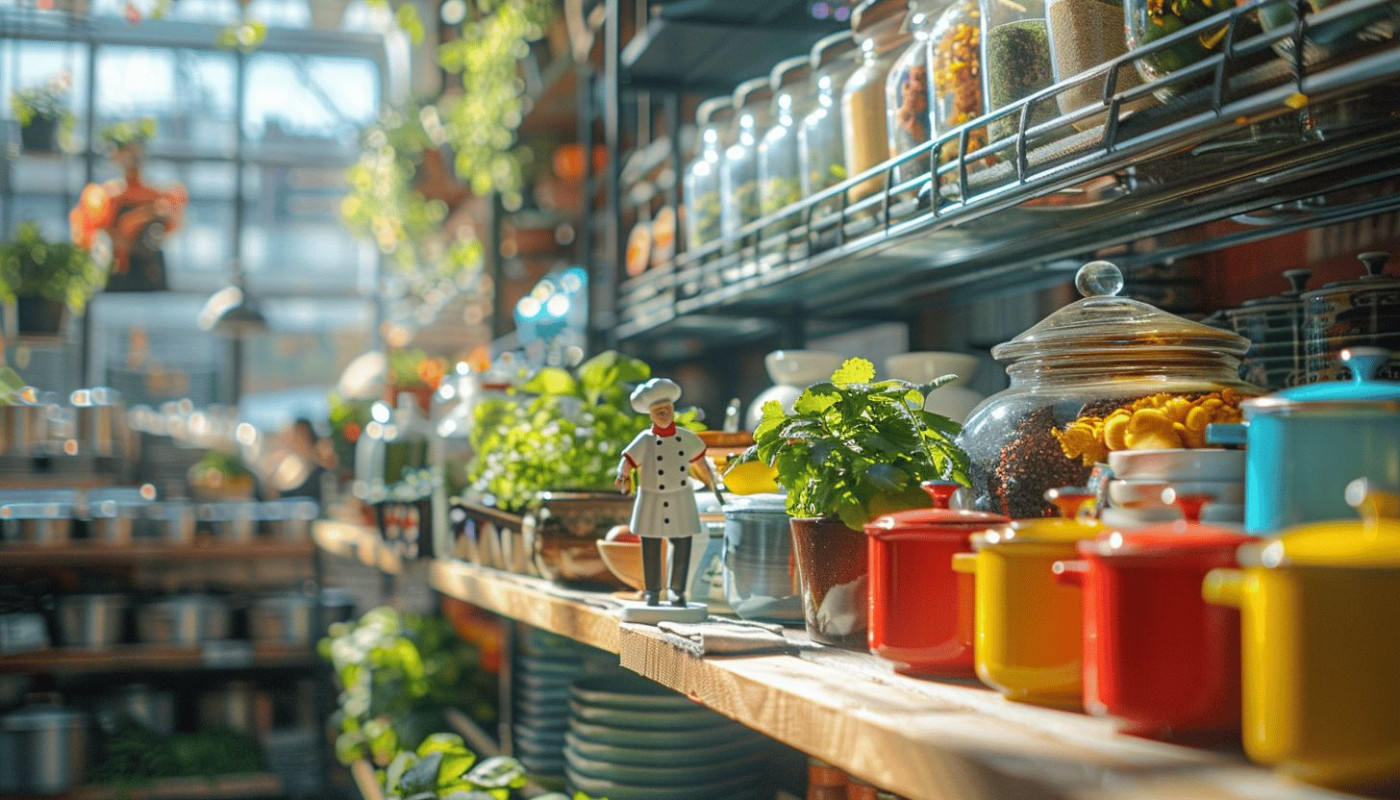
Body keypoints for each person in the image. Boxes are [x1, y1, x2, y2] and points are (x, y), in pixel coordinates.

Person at [615, 378, 712, 607]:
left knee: (682, 542)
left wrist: (711, 480)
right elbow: (627, 460)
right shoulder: (645, 440)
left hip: (680, 496)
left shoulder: (686, 437)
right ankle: (652, 591)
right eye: (658, 410)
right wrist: (623, 476)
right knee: (650, 544)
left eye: (666, 409)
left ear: (672, 410)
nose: (663, 414)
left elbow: (700, 463)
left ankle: (677, 591)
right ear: (650, 414)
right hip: (651, 497)